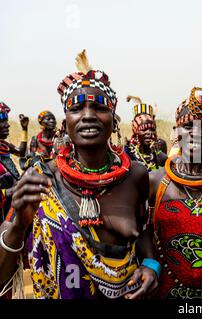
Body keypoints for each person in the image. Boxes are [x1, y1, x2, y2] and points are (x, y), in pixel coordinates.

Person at [0, 50, 159, 299]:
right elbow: (2, 275)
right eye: (76, 108)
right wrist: (20, 224)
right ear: (67, 121)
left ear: (114, 121)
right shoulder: (40, 178)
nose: (88, 115)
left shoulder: (136, 175)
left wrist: (151, 266)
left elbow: (144, 231)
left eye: (99, 107)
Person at [149, 87, 202, 299]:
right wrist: (149, 264)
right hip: (163, 290)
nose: (196, 133)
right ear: (176, 132)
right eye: (188, 126)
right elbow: (140, 231)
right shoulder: (156, 181)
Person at [0, 102, 29, 224]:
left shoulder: (4, 145)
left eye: (6, 121)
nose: (7, 125)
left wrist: (24, 129)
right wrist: (9, 191)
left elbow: (20, 153)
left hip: (10, 206)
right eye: (2, 121)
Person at [125, 96, 167, 171]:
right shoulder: (127, 154)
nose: (149, 133)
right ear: (136, 132)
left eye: (152, 129)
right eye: (144, 129)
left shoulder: (161, 155)